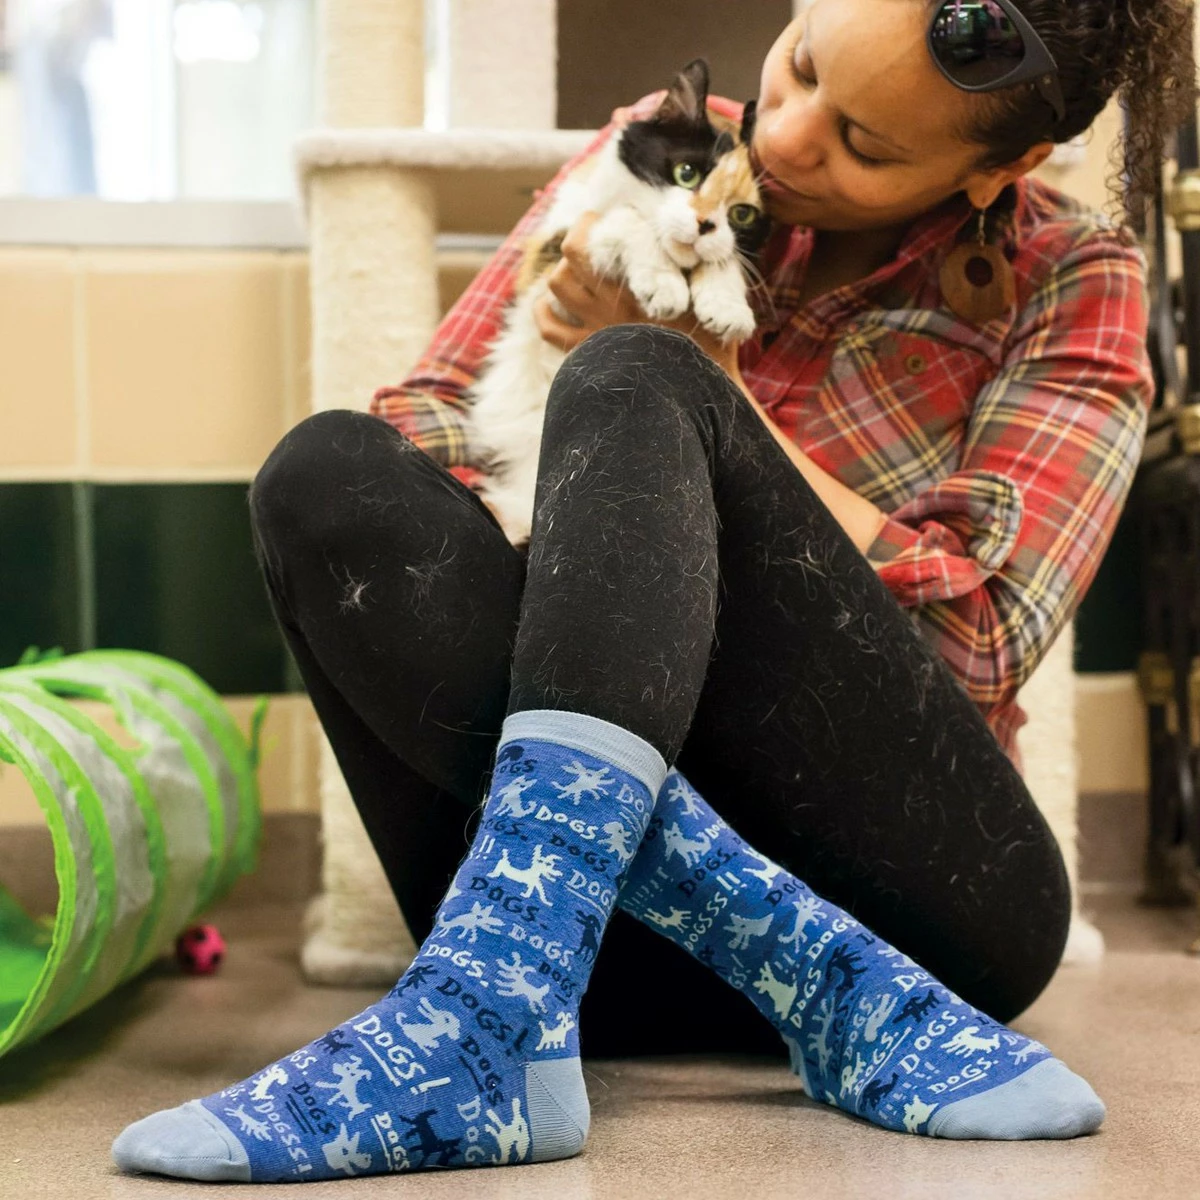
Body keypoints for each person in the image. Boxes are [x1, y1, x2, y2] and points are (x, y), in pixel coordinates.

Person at [112, 0, 1195, 1182]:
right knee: (324, 476)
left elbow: (982, 643)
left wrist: (712, 391)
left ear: (1003, 168)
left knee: (637, 370)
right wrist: (597, 543)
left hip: (923, 921)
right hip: (577, 954)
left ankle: (498, 1025)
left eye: (865, 145)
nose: (783, 139)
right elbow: (422, 426)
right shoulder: (666, 142)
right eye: (799, 68)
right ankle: (574, 988)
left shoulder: (1078, 275)